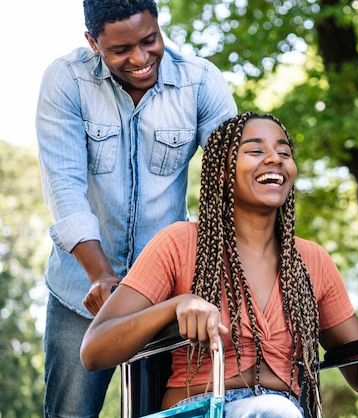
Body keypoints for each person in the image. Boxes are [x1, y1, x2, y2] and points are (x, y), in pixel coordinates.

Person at [80, 112, 358, 418]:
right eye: (255, 151)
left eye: (284, 152)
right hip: (201, 408)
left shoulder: (311, 261)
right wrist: (175, 307)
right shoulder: (179, 243)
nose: (275, 159)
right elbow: (95, 350)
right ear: (222, 171)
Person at [35, 0, 237, 416]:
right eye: (121, 50)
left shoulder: (201, 82)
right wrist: (102, 275)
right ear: (93, 42)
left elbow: (232, 183)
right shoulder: (66, 81)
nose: (141, 59)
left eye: (149, 41)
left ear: (159, 24)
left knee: (174, 411)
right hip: (82, 294)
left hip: (169, 298)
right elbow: (65, 187)